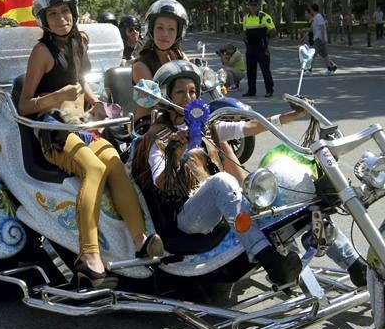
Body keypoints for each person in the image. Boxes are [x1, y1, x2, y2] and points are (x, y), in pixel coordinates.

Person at [131, 61, 367, 287]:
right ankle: (270, 259)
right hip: (187, 217)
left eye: (193, 91)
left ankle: (355, 265)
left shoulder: (206, 125)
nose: (189, 97)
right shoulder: (157, 138)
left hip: (222, 209)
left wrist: (292, 115)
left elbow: (248, 127)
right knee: (221, 181)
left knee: (291, 197)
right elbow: (160, 182)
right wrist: (175, 152)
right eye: (181, 92)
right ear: (165, 96)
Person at [17, 0, 162, 289]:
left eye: (65, 11)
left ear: (74, 12)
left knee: (114, 163)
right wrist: (55, 97)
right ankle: (89, 257)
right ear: (43, 19)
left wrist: (95, 103)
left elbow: (81, 83)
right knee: (93, 169)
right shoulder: (41, 52)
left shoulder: (80, 41)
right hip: (53, 131)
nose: (61, 19)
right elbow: (25, 105)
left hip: (83, 124)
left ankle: (140, 239)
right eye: (53, 14)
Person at [132, 0, 189, 121]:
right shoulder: (141, 64)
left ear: (178, 33)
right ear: (151, 29)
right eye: (160, 27)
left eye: (171, 29)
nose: (165, 34)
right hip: (150, 124)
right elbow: (155, 101)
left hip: (180, 119)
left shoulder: (181, 57)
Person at [241, 0, 276, 97]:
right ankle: (251, 91)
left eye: (255, 5)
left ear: (258, 6)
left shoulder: (265, 17)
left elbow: (273, 30)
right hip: (250, 47)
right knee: (250, 70)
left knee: (265, 70)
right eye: (251, 5)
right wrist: (244, 38)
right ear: (248, 7)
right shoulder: (246, 18)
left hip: (261, 47)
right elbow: (244, 31)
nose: (253, 7)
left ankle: (269, 90)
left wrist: (265, 34)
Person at [303, 4, 338, 74]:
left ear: (313, 10)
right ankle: (330, 69)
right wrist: (303, 34)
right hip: (318, 38)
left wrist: (323, 37)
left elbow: (322, 26)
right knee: (325, 55)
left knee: (311, 54)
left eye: (311, 10)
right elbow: (312, 29)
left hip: (319, 38)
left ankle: (309, 70)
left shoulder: (319, 16)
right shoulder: (316, 17)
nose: (310, 11)